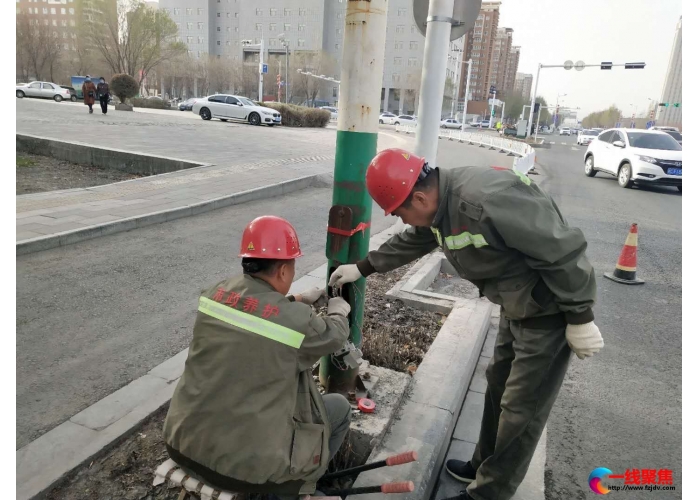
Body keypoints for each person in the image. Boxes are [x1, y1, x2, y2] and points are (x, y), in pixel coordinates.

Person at [329, 149, 603, 500]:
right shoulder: (440, 207)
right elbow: (415, 239)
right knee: (497, 386)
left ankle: (489, 493)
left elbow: (562, 251)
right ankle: (483, 464)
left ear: (419, 197)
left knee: (522, 409)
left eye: (400, 212)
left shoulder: (487, 200)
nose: (402, 220)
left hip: (548, 311)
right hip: (516, 303)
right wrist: (364, 267)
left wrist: (580, 316)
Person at [163, 215, 352, 496]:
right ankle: (298, 487)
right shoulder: (296, 323)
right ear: (283, 271)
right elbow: (333, 335)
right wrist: (338, 309)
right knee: (339, 408)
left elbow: (256, 312)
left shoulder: (215, 294)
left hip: (183, 446)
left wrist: (296, 300)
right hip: (246, 475)